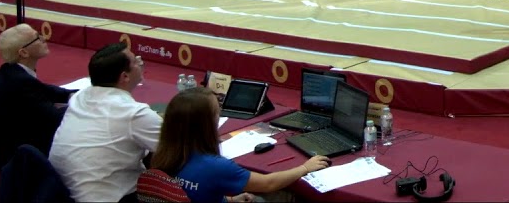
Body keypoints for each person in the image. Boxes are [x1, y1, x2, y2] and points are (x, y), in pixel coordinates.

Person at [152, 87, 330, 203]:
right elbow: (268, 183)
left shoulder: (162, 154)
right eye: (217, 112)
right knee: (288, 196)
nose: (219, 115)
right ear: (206, 123)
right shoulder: (215, 166)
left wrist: (229, 200)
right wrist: (305, 167)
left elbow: (196, 194)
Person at [50, 43, 163, 203]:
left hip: (61, 194)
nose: (140, 62)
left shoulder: (79, 97)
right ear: (125, 77)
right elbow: (177, 149)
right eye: (135, 61)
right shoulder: (133, 113)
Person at [0, 24, 75, 166]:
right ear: (24, 53)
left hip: (14, 146)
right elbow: (56, 119)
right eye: (37, 38)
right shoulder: (20, 82)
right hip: (22, 162)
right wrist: (86, 102)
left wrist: (73, 94)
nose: (44, 38)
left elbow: (43, 89)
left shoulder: (8, 72)